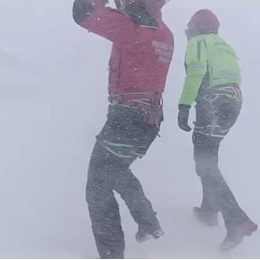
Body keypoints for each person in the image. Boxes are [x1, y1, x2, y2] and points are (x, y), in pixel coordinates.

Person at [72, 0, 174, 258]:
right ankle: (149, 223)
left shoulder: (130, 26)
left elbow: (81, 11)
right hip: (149, 119)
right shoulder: (165, 33)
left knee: (97, 186)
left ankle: (112, 254)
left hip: (126, 117)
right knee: (115, 171)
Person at [177, 9, 257, 251]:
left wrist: (184, 105)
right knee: (208, 156)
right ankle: (209, 210)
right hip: (233, 100)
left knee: (204, 162)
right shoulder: (223, 45)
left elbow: (197, 71)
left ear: (194, 29)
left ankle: (237, 220)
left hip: (213, 100)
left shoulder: (199, 42)